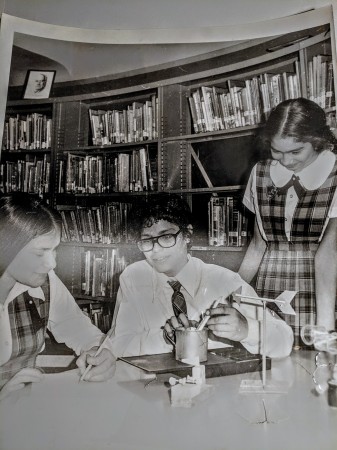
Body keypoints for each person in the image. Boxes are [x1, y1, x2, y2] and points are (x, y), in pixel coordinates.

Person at [111, 194, 293, 359]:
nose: (156, 249)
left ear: (187, 235)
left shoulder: (225, 282)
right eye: (147, 241)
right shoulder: (134, 277)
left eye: (166, 237)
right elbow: (117, 346)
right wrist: (164, 339)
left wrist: (246, 330)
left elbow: (285, 341)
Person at [238, 98, 337, 347]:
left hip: (321, 290)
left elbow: (329, 253)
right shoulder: (260, 173)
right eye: (277, 151)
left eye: (296, 151)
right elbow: (259, 245)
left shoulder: (334, 174)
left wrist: (325, 328)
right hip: (269, 288)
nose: (286, 160)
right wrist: (234, 293)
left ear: (316, 141)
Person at [0, 194, 116, 400]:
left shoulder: (47, 281)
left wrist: (99, 351)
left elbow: (76, 327)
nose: (51, 264)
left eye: (54, 250)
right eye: (39, 253)